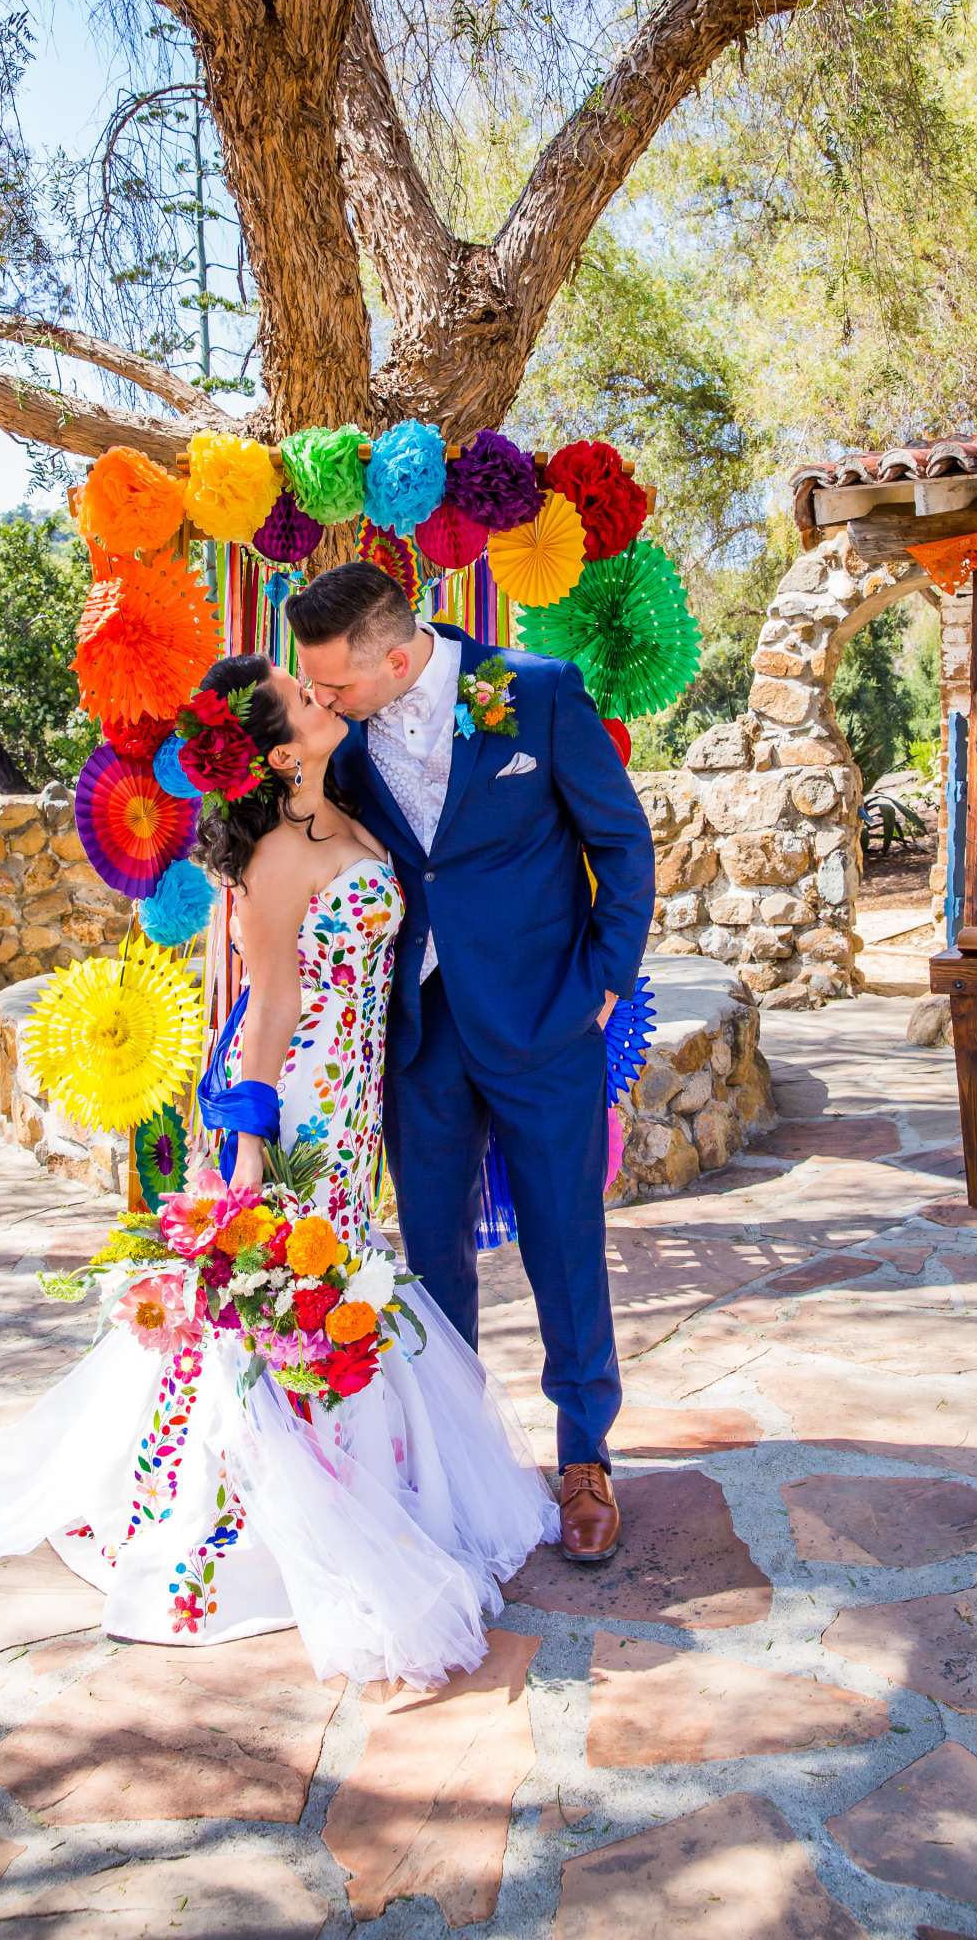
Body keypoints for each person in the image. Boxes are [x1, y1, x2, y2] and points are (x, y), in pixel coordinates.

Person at [0, 654, 558, 1686]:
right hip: (294, 1097)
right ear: (282, 750)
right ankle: (261, 1505)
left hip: (353, 1097)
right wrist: (248, 1145)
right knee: (279, 1287)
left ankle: (354, 1471)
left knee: (340, 1272)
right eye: (303, 698)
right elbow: (271, 1010)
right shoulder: (273, 866)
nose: (322, 696)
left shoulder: (348, 814)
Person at [287, 564, 657, 1566]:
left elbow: (621, 842)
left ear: (398, 658)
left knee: (564, 1243)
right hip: (421, 1029)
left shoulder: (534, 694)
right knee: (433, 1254)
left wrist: (603, 982)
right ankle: (457, 1459)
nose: (321, 701)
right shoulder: (345, 745)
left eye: (336, 687)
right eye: (313, 688)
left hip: (545, 1017)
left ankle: (585, 1458)